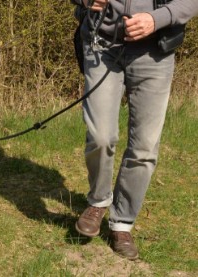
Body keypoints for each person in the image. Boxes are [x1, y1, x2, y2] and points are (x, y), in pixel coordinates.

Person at [70, 0, 198, 260]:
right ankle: (98, 201)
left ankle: (122, 223)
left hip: (155, 51)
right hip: (101, 44)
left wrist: (158, 18)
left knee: (144, 146)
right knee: (100, 136)